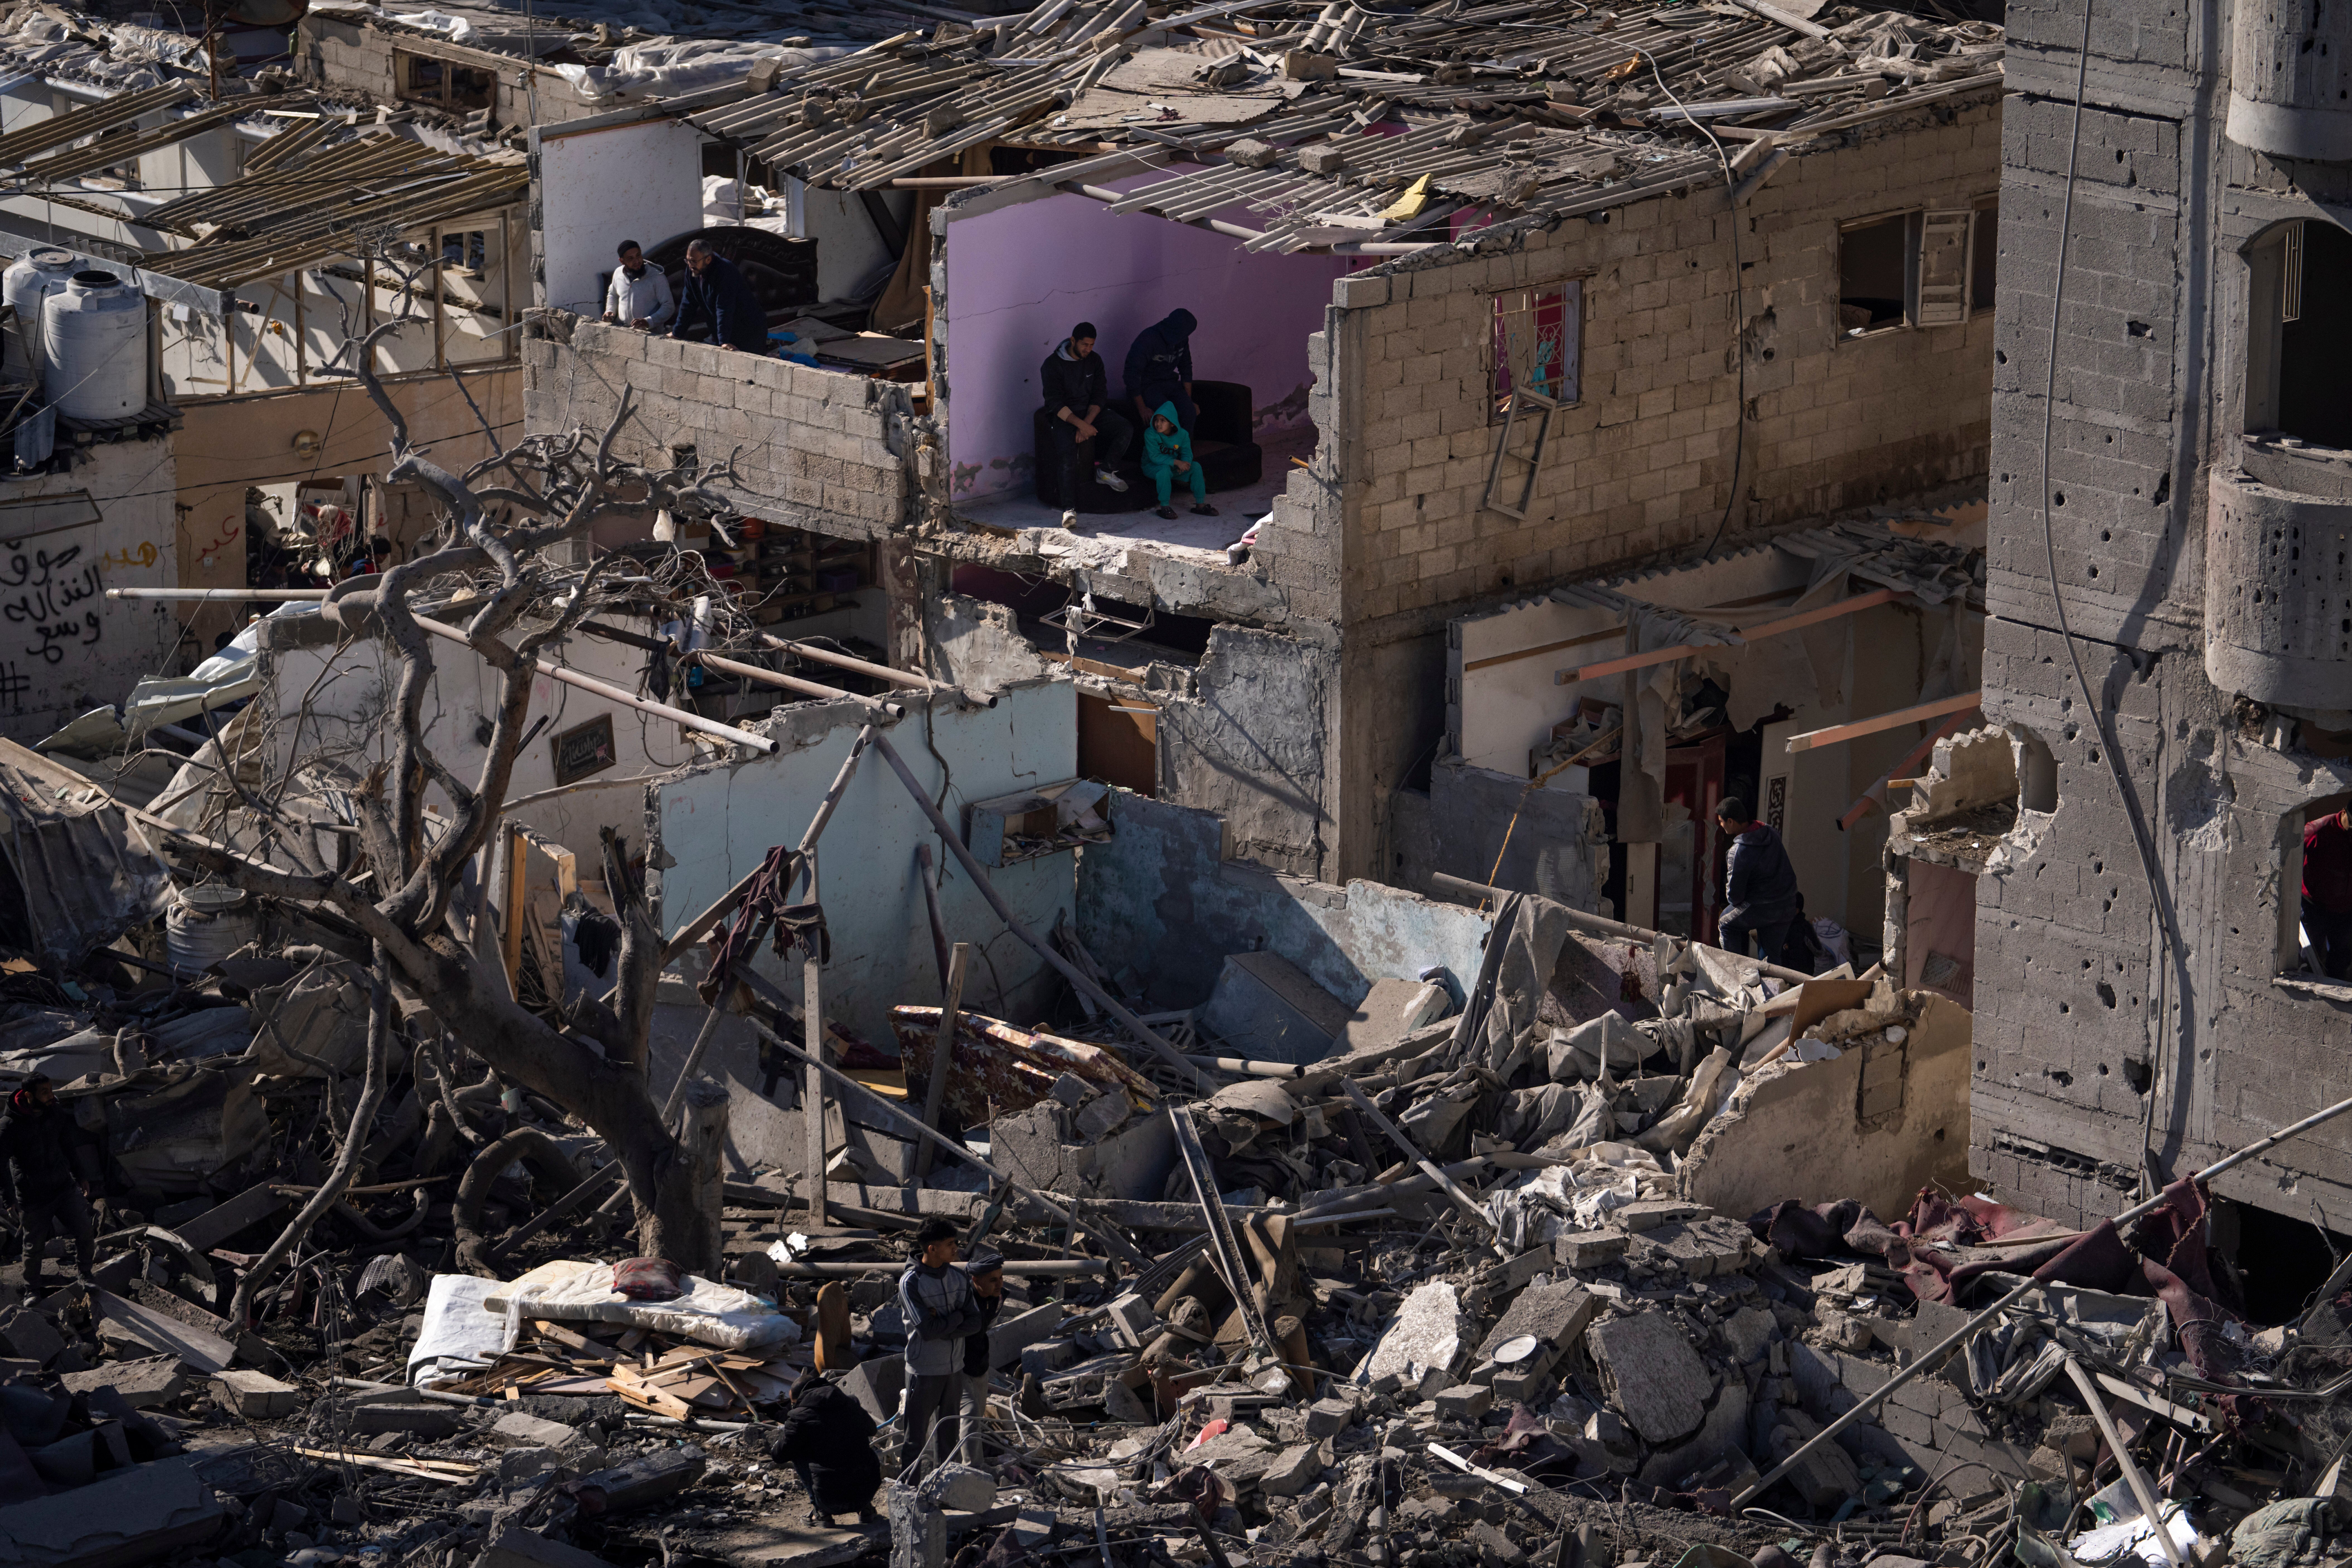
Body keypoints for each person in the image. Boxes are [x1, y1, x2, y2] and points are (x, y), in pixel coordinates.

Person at [897, 1217, 981, 1479]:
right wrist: (956, 1318)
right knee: (915, 1438)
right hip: (923, 1372)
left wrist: (943, 1322)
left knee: (949, 1435)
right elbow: (927, 1331)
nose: (956, 1248)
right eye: (949, 1244)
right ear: (932, 1249)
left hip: (955, 1369)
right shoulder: (911, 1282)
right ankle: (909, 1491)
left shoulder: (959, 1277)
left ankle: (943, 1489)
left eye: (955, 1242)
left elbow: (975, 1323)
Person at [0, 1075, 95, 1290]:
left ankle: (86, 1275)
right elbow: (1, 1164)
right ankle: (32, 1289)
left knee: (85, 1231)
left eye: (51, 1090)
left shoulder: (55, 1113)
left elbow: (68, 1145)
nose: (51, 1095)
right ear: (28, 1096)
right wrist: (9, 1199)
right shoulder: (9, 1125)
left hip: (63, 1188)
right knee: (33, 1248)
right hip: (33, 1196)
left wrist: (81, 1177)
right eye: (45, 1092)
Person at [1039, 321, 1133, 530]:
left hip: (1089, 415)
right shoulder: (1052, 365)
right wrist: (1079, 424)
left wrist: (1087, 425)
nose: (1088, 349)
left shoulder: (1095, 361)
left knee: (1125, 428)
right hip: (1065, 416)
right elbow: (1055, 403)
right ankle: (1069, 510)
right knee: (1067, 455)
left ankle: (1106, 472)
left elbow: (1100, 394)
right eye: (1084, 345)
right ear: (1073, 341)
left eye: (1092, 345)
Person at [770, 1369, 883, 1527]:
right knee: (858, 1445)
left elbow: (779, 1456)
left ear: (800, 1399)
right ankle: (866, 1509)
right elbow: (873, 1430)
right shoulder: (850, 1403)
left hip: (830, 1500)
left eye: (793, 1403)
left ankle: (822, 1514)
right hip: (866, 1493)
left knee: (796, 1452)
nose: (792, 1407)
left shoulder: (798, 1416)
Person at [1715, 797, 1801, 966]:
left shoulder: (1738, 852)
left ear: (1731, 822)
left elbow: (1734, 898)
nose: (1721, 826)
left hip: (1762, 907)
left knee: (1725, 923)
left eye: (1722, 822)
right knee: (1770, 961)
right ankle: (1773, 992)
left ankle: (1735, 975)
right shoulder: (1770, 832)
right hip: (1787, 904)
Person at [671, 240, 770, 354]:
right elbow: (688, 303)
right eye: (688, 261)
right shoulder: (693, 270)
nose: (690, 265)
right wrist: (677, 333)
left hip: (749, 328)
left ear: (708, 260)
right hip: (725, 330)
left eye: (694, 261)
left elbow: (724, 307)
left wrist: (724, 340)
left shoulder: (725, 271)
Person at [956, 1250, 1005, 1466]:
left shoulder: (994, 1299)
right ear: (975, 1280)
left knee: (975, 1420)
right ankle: (972, 1471)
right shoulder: (963, 1301)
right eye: (993, 1280)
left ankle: (971, 1465)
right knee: (970, 1416)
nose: (999, 1284)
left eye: (1001, 1278)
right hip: (960, 1368)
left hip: (980, 1366)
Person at [1141, 401, 1218, 522]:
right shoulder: (1150, 434)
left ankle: (1201, 505)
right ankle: (1165, 507)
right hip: (1153, 467)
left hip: (1174, 466)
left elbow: (1187, 453)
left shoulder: (1183, 435)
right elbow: (1155, 457)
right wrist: (1177, 463)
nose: (1158, 424)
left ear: (1172, 423)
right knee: (1164, 470)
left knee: (1196, 467)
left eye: (1163, 421)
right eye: (1156, 420)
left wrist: (1186, 463)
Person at [1124, 308, 1198, 432]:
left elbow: (1186, 368)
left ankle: (1184, 449)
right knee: (1167, 414)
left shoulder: (1183, 340)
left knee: (1189, 412)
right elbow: (1132, 374)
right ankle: (1165, 450)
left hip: (1169, 383)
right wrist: (1142, 409)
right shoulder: (1148, 339)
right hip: (1148, 386)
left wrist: (1188, 401)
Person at [2305, 804, 2352, 978]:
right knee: (2313, 954)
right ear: (2344, 812)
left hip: (2345, 906)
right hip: (2315, 903)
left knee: (2342, 954)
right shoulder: (2319, 829)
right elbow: (2288, 850)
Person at [603, 240, 675, 332]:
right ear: (622, 261)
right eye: (631, 259)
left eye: (638, 256)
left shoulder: (656, 277)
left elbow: (669, 306)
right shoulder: (618, 274)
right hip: (623, 332)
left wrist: (649, 322)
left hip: (650, 335)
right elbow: (613, 294)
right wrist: (610, 311)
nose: (637, 261)